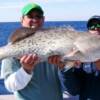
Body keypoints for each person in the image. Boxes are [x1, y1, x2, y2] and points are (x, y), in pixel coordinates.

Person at [1, 3, 65, 100]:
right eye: (30, 16)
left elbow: (64, 81)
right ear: (22, 19)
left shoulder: (55, 43)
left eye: (38, 16)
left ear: (43, 19)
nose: (35, 20)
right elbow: (10, 86)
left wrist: (62, 67)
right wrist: (26, 70)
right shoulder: (12, 47)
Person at [61, 15, 100, 100]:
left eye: (99, 25)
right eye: (92, 26)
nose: (96, 28)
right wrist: (65, 68)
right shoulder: (82, 57)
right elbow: (74, 90)